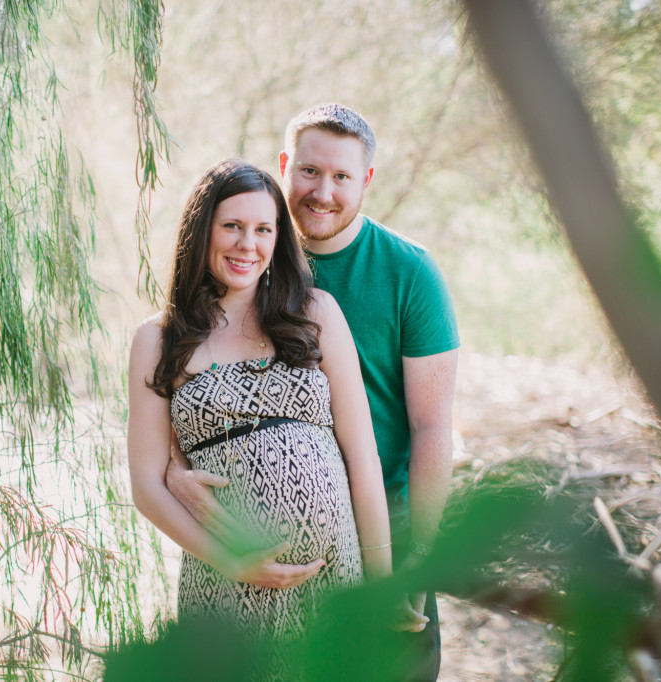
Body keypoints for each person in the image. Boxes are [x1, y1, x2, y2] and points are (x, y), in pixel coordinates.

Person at [167, 105, 460, 681]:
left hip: (388, 535)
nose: (322, 192)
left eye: (342, 176)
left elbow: (432, 429)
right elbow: (191, 388)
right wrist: (175, 468)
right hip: (260, 548)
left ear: (366, 181)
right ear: (284, 167)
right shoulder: (248, 262)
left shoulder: (409, 273)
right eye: (309, 171)